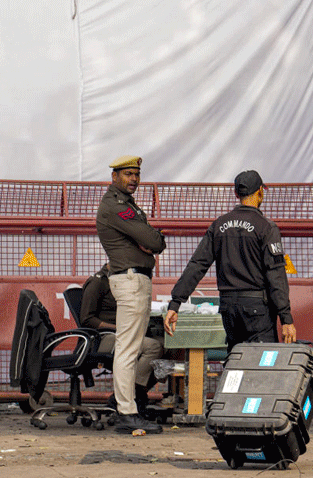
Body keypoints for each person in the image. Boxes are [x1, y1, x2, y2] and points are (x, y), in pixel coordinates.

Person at [163, 170, 297, 352]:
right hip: (258, 309)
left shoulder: (219, 225)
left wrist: (176, 303)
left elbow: (197, 264)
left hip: (228, 308)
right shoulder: (266, 227)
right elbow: (276, 275)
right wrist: (286, 318)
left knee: (236, 358)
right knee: (262, 364)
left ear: (236, 194)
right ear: (260, 192)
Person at [96, 155, 166, 435]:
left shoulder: (125, 205)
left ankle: (126, 407)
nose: (133, 179)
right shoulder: (115, 206)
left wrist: (147, 240)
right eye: (127, 174)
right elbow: (152, 240)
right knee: (127, 350)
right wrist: (151, 240)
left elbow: (147, 239)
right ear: (114, 177)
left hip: (135, 279)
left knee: (131, 348)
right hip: (130, 280)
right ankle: (126, 412)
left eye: (136, 174)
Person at [79, 264, 164, 417]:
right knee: (152, 347)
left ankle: (133, 396)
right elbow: (87, 319)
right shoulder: (98, 282)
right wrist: (119, 328)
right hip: (103, 337)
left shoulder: (124, 280)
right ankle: (128, 398)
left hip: (123, 333)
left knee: (167, 346)